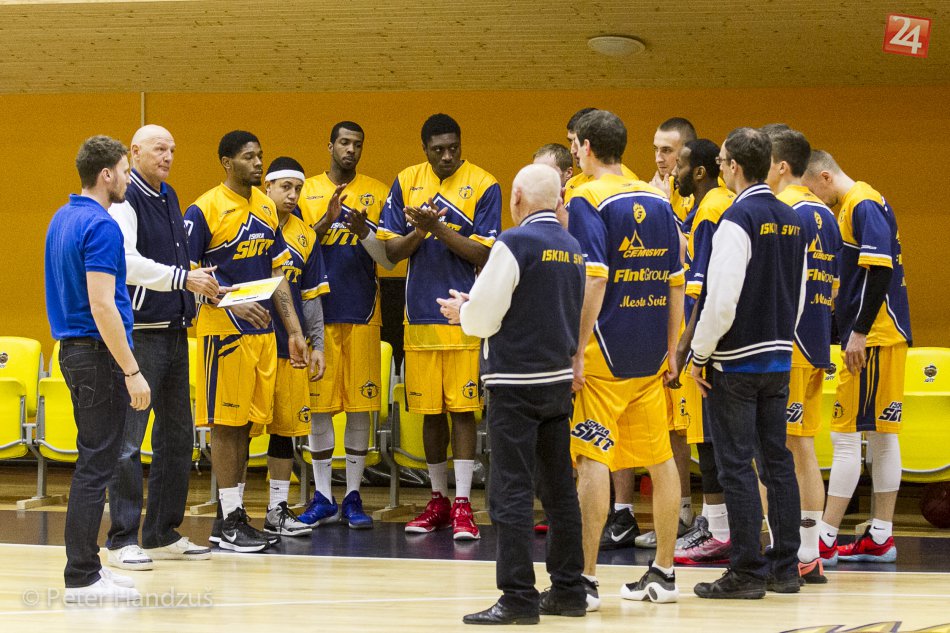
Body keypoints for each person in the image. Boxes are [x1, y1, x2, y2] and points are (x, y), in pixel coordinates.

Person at [439, 164, 587, 625]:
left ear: (517, 196)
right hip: (556, 382)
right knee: (559, 490)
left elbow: (484, 319)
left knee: (511, 491)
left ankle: (518, 597)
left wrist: (464, 311)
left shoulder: (514, 242)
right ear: (557, 199)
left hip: (514, 385)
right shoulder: (572, 246)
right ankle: (569, 590)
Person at [567, 110, 685, 609]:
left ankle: (585, 581)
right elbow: (677, 280)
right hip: (650, 354)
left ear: (587, 147)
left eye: (576, 145)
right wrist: (673, 347)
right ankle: (665, 572)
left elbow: (594, 278)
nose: (574, 152)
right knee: (660, 460)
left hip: (604, 354)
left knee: (591, 458)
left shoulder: (586, 197)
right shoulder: (658, 199)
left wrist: (576, 349)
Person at [689, 127, 808, 599]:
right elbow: (799, 296)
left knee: (737, 467)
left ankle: (746, 572)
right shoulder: (793, 218)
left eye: (721, 161)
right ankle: (786, 568)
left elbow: (720, 301)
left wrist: (700, 354)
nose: (720, 168)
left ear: (735, 166)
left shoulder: (737, 218)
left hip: (736, 362)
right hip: (778, 357)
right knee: (777, 463)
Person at [377, 113, 501, 541]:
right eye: (438, 150)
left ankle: (464, 503)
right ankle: (438, 500)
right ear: (425, 150)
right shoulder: (406, 180)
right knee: (430, 413)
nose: (447, 156)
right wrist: (420, 232)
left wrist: (437, 228)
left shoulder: (484, 184)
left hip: (465, 317)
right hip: (418, 318)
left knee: (463, 411)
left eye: (453, 148)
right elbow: (391, 253)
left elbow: (483, 255)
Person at [185, 130, 309, 553]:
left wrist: (294, 330)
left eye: (260, 156)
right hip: (223, 332)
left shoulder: (266, 208)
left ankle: (228, 520)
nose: (258, 163)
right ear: (226, 162)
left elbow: (277, 275)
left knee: (248, 427)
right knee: (227, 425)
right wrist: (230, 303)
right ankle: (231, 519)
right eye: (248, 157)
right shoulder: (204, 209)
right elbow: (188, 275)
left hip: (263, 334)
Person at [104, 125, 215, 571]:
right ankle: (120, 539)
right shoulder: (124, 200)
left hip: (175, 331)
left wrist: (203, 287)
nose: (168, 156)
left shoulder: (169, 196)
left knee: (177, 438)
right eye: (158, 148)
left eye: (172, 148)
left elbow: (176, 264)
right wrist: (183, 278)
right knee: (128, 442)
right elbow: (127, 263)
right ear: (134, 152)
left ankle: (161, 533)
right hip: (141, 335)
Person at [45, 135, 148, 602]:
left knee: (94, 461)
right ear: (106, 174)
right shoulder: (102, 225)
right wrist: (132, 370)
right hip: (97, 355)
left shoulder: (62, 218)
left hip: (72, 350)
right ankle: (82, 576)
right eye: (125, 171)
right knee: (96, 465)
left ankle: (87, 567)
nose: (128, 179)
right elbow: (103, 305)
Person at [802, 150, 911, 566]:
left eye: (813, 191)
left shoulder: (861, 202)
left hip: (875, 337)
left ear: (825, 177)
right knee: (882, 436)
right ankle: (880, 535)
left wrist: (859, 332)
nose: (816, 201)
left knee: (846, 437)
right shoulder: (860, 202)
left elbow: (880, 271)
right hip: (881, 335)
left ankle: (826, 536)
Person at [296, 121, 395, 529]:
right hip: (318, 317)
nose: (351, 150)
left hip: (363, 313)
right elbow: (296, 250)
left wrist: (364, 231)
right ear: (330, 145)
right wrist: (326, 222)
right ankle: (323, 495)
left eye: (357, 144)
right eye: (344, 142)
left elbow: (388, 258)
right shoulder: (305, 191)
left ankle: (353, 495)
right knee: (319, 410)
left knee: (359, 409)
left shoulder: (378, 191)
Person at [764, 127, 841, 583]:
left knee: (775, 453)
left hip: (788, 346)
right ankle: (808, 553)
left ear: (780, 165)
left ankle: (787, 551)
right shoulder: (826, 214)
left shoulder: (786, 212)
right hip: (816, 343)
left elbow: (776, 283)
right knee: (802, 447)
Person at [661, 139, 735, 563]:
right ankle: (717, 524)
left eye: (681, 165)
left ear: (701, 171)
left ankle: (718, 531)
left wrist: (684, 348)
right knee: (714, 439)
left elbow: (702, 289)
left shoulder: (710, 211)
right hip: (724, 338)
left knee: (708, 439)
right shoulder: (718, 204)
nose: (675, 173)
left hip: (711, 340)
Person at [258, 157, 330, 537]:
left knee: (285, 430)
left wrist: (317, 344)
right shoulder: (253, 225)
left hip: (291, 348)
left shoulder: (306, 235)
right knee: (237, 429)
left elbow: (311, 296)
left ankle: (277, 509)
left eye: (298, 188)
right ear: (267, 187)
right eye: (285, 187)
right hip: (251, 342)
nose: (292, 194)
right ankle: (229, 511)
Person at [564, 107, 638, 202]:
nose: (573, 150)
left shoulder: (628, 181)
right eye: (570, 142)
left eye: (577, 142)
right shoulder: (571, 183)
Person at [650, 117, 698, 222]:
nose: (658, 159)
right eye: (656, 149)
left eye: (666, 150)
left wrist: (662, 203)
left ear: (687, 152)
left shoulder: (705, 189)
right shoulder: (668, 184)